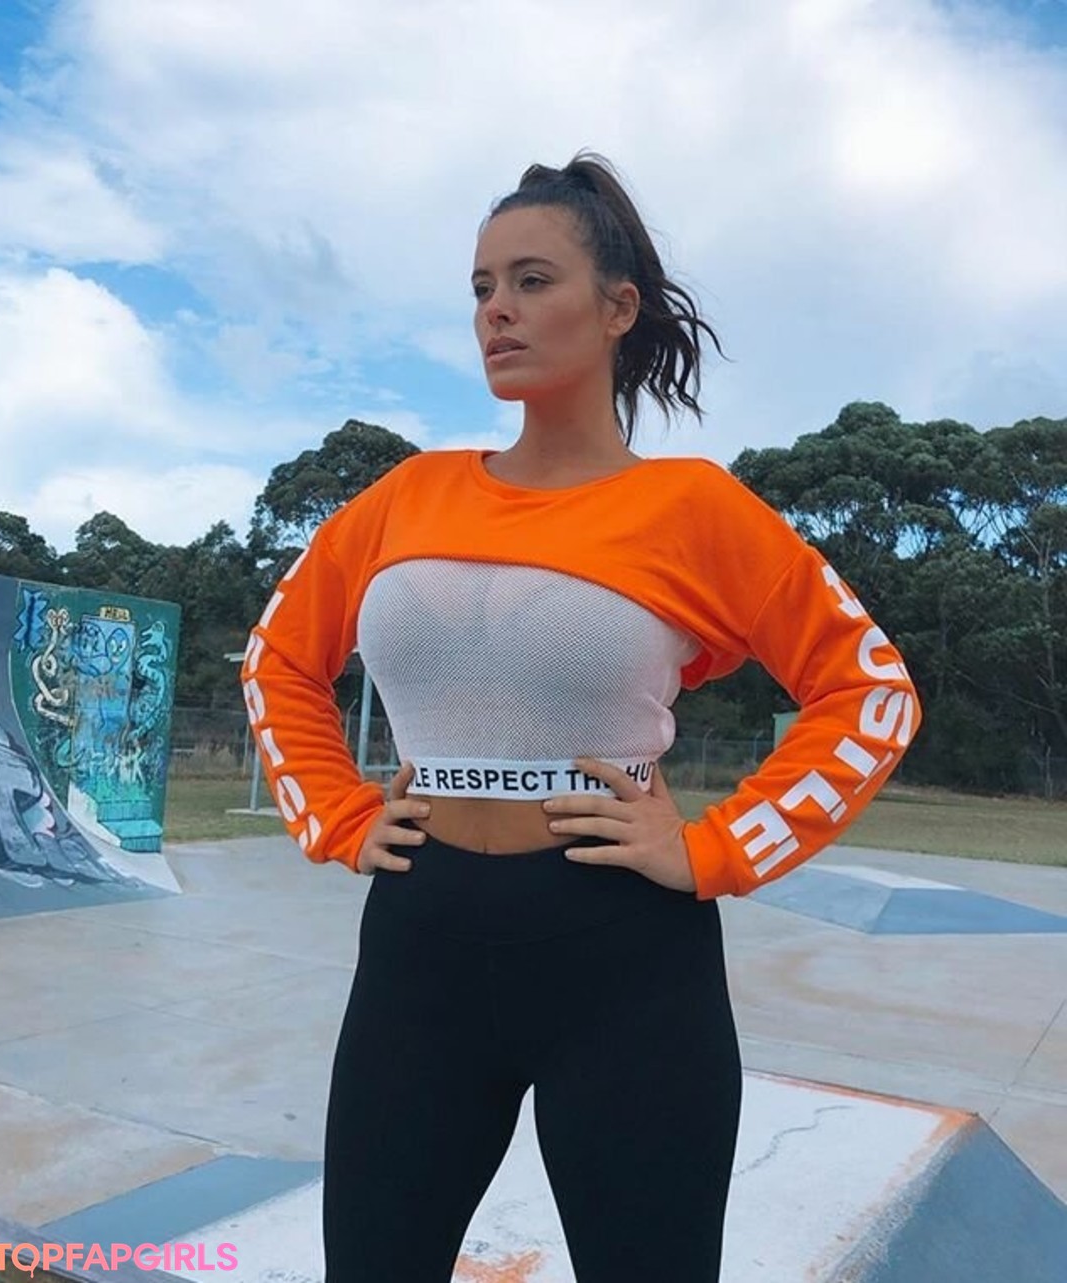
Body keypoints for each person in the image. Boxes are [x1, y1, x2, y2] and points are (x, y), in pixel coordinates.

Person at [242, 152, 922, 1283]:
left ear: (618, 308)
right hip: (421, 941)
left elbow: (871, 688)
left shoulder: (693, 506)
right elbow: (278, 660)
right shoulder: (406, 496)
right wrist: (338, 814)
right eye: (480, 287)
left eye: (531, 280)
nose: (496, 311)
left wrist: (715, 846)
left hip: (625, 956)